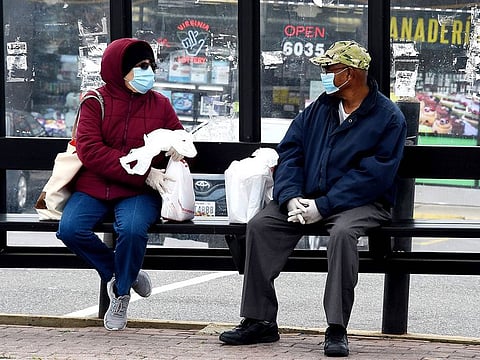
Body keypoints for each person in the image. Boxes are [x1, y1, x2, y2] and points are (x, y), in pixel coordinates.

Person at [219, 40, 407, 357]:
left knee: (343, 235)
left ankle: (336, 328)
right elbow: (290, 153)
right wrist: (291, 197)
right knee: (261, 225)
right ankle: (260, 320)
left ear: (354, 73)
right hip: (307, 197)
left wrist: (324, 206)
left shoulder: (388, 118)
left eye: (330, 69)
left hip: (363, 203)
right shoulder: (319, 108)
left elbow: (373, 176)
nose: (323, 75)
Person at [56, 38, 185, 331]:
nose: (148, 72)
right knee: (70, 229)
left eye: (151, 66)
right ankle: (123, 274)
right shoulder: (94, 101)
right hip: (96, 185)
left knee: (132, 229)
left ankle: (122, 293)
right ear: (120, 69)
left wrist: (180, 145)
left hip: (138, 192)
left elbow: (179, 134)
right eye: (141, 66)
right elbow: (90, 150)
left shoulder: (160, 104)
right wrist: (143, 172)